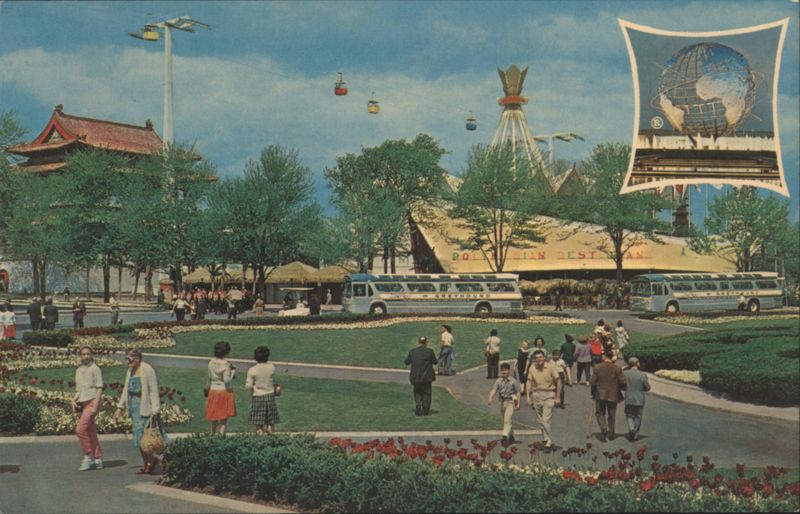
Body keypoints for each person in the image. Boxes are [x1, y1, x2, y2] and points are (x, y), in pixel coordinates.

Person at [115, 349, 165, 474]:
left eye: (129, 359)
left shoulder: (147, 369)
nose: (127, 362)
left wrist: (155, 409)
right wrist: (120, 408)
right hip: (134, 408)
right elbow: (126, 389)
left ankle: (151, 461)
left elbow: (153, 389)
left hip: (145, 408)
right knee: (138, 437)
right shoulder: (130, 371)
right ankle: (147, 462)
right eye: (126, 359)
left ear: (137, 358)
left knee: (145, 437)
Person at [72, 346, 104, 471]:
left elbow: (100, 388)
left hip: (92, 402)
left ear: (92, 355)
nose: (86, 356)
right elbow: (79, 390)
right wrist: (73, 399)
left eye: (88, 354)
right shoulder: (79, 370)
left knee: (80, 430)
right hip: (83, 403)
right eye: (83, 354)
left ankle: (87, 456)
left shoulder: (95, 369)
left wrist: (96, 406)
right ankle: (98, 458)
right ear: (80, 356)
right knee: (90, 431)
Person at [525, 349, 561, 449]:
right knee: (540, 420)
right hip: (536, 395)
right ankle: (545, 438)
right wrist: (528, 396)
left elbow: (558, 381)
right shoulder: (532, 367)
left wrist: (558, 397)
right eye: (536, 358)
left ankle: (549, 441)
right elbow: (528, 382)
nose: (539, 359)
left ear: (544, 357)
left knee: (546, 419)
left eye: (540, 357)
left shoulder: (551, 367)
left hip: (549, 394)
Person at [590, 351, 627, 442]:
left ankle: (603, 428)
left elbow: (592, 382)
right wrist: (620, 388)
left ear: (604, 356)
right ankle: (611, 432)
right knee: (612, 414)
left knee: (600, 412)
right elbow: (623, 382)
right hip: (613, 394)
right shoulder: (617, 368)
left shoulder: (597, 367)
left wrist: (593, 393)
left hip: (600, 394)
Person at [246, 346, 280, 434]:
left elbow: (249, 386)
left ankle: (260, 441)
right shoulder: (272, 367)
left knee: (259, 424)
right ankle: (271, 438)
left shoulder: (252, 370)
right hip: (269, 396)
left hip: (258, 396)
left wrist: (252, 391)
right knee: (271, 422)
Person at [206, 341, 236, 434]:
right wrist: (233, 373)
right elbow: (227, 380)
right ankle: (221, 436)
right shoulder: (226, 364)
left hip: (213, 390)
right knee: (223, 418)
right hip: (223, 391)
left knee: (213, 417)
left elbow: (209, 376)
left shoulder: (211, 362)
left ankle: (212, 434)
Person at [487, 362, 521, 443]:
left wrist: (518, 403)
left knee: (507, 419)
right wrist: (490, 398)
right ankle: (511, 435)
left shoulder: (513, 381)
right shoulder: (499, 381)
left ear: (509, 371)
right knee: (506, 420)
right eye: (502, 371)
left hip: (511, 402)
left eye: (505, 370)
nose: (504, 372)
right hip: (502, 402)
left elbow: (518, 392)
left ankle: (505, 434)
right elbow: (494, 389)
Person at [404, 336, 437, 416]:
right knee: (427, 393)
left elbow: (406, 362)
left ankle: (418, 404)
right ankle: (425, 411)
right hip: (427, 377)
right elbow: (435, 361)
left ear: (419, 342)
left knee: (417, 392)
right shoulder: (429, 351)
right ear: (426, 342)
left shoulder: (413, 352)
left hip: (415, 377)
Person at [623, 357, 651, 442]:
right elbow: (647, 388)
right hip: (639, 398)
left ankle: (631, 428)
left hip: (629, 397)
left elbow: (622, 385)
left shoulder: (625, 373)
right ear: (637, 363)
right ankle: (635, 433)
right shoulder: (643, 375)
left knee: (629, 415)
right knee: (638, 416)